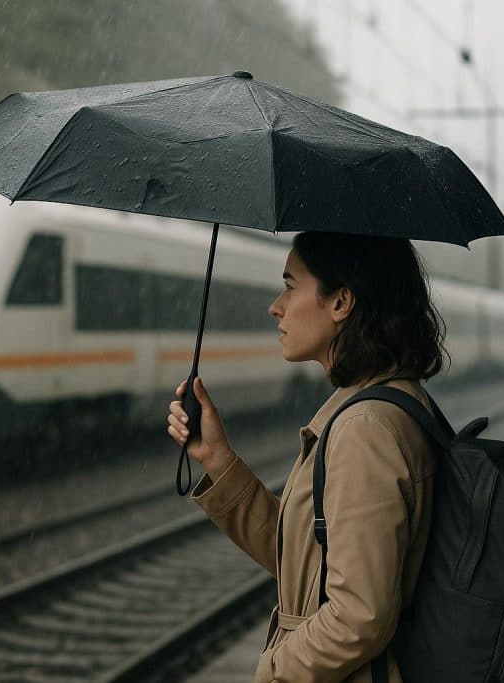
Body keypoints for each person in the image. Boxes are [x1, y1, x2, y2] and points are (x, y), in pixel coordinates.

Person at [166, 231, 447, 683]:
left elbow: (359, 616)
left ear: (341, 303)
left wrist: (273, 669)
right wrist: (218, 459)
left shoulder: (365, 430)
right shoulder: (378, 406)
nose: (275, 306)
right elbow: (310, 565)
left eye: (289, 286)